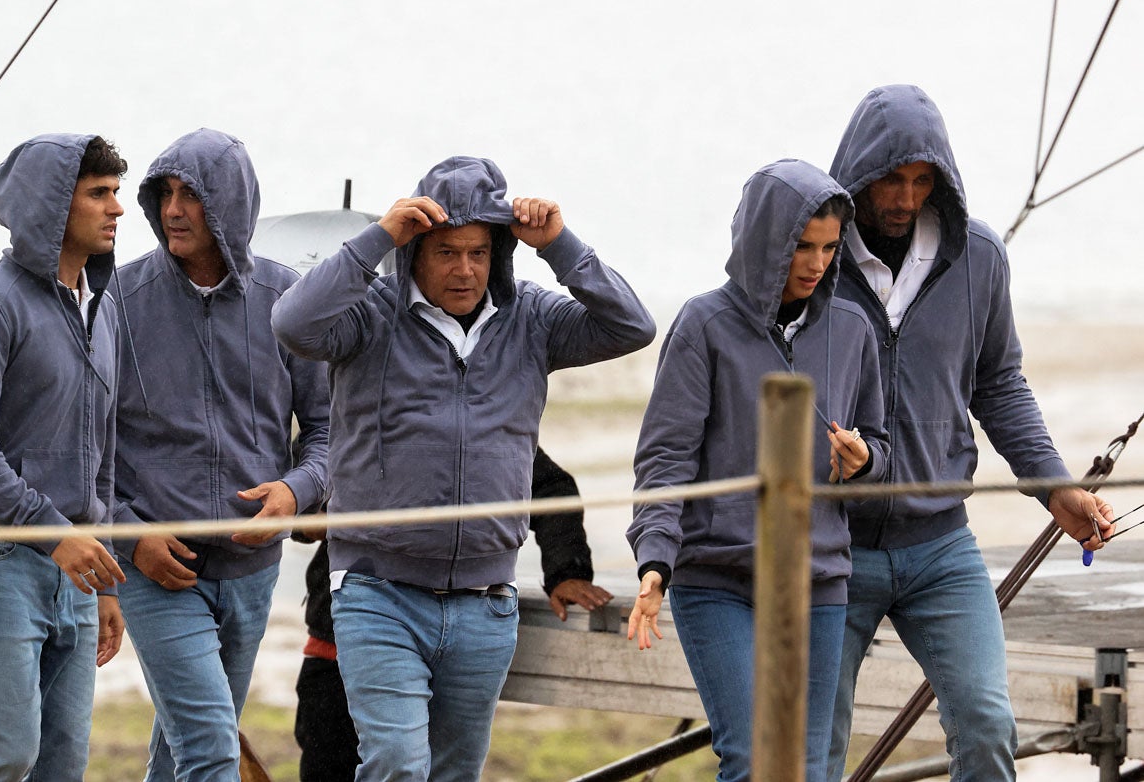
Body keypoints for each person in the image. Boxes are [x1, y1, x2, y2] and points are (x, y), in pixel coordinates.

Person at [272, 155, 655, 781]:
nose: (465, 269)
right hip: (376, 591)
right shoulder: (369, 316)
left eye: (479, 252)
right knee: (396, 764)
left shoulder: (532, 317)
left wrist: (559, 245)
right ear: (417, 249)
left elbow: (632, 326)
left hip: (486, 602)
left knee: (455, 773)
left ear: (499, 251)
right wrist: (378, 238)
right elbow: (292, 322)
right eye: (447, 251)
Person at [823, 84, 1115, 782]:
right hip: (830, 546)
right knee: (811, 752)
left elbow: (998, 384)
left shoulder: (977, 256)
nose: (903, 197)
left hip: (939, 546)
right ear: (858, 173)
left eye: (921, 181)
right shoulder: (813, 256)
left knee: (987, 726)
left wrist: (1054, 490)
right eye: (890, 179)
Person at [626, 158, 889, 782]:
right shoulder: (704, 323)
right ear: (761, 241)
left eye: (828, 247)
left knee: (810, 769)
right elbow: (666, 457)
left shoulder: (853, 327)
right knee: (751, 760)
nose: (816, 263)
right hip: (717, 577)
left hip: (817, 580)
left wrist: (867, 460)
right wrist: (655, 561)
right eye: (801, 245)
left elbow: (881, 444)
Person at [112, 128, 330, 782]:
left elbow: (326, 432)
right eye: (164, 195)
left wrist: (297, 490)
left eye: (192, 196)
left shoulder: (288, 302)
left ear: (230, 203)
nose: (174, 210)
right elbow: (84, 444)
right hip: (156, 566)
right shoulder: (116, 303)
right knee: (211, 751)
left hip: (252, 569)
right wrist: (129, 535)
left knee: (182, 748)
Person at [0, 133, 129, 781]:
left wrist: (98, 565)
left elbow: (101, 447)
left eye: (116, 192)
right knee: (6, 755)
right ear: (50, 206)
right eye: (98, 193)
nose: (116, 209)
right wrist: (55, 535)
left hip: (72, 565)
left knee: (62, 764)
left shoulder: (100, 310)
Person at [293, 447, 614, 782]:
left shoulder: (480, 421)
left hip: (456, 637)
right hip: (340, 639)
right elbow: (290, 488)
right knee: (337, 766)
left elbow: (550, 488)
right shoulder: (344, 405)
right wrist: (314, 517)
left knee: (443, 769)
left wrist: (566, 571)